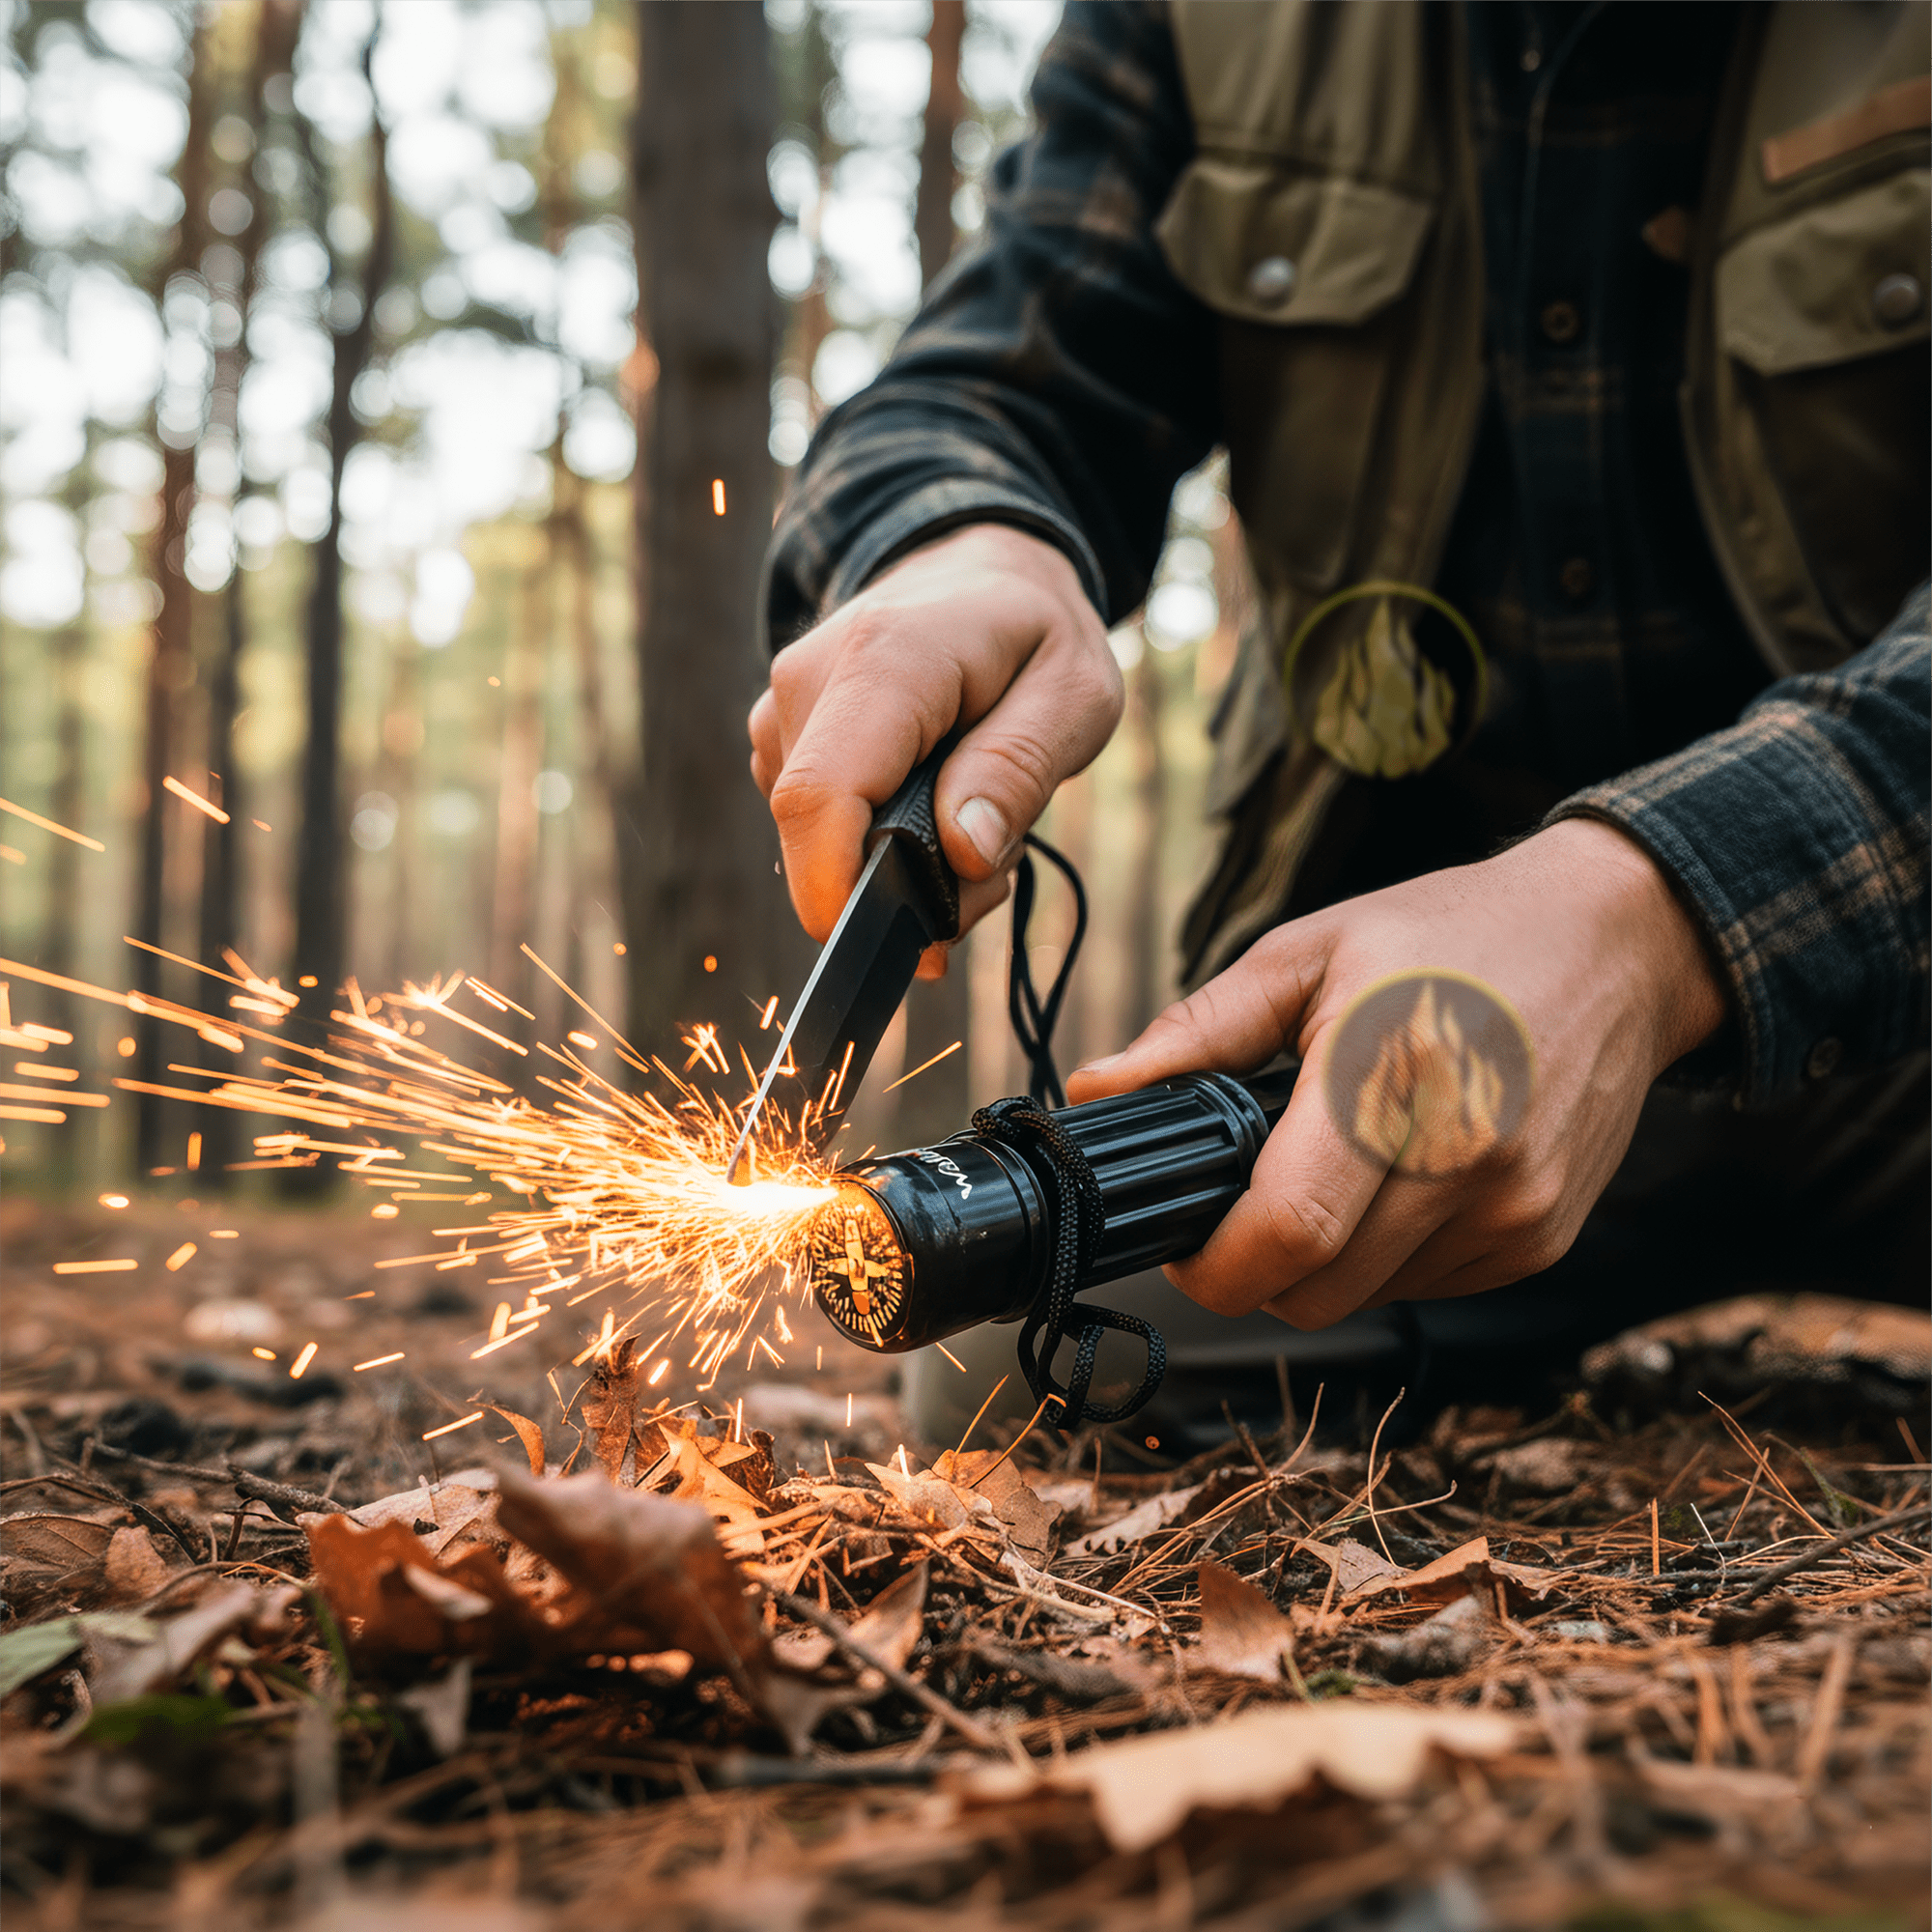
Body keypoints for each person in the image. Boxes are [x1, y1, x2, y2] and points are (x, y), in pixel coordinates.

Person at [752, 1, 1929, 1441]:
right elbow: (1002, 374)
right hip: (1412, 1074)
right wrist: (957, 544)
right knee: (1025, 1391)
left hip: (1903, 1016)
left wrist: (1653, 915)